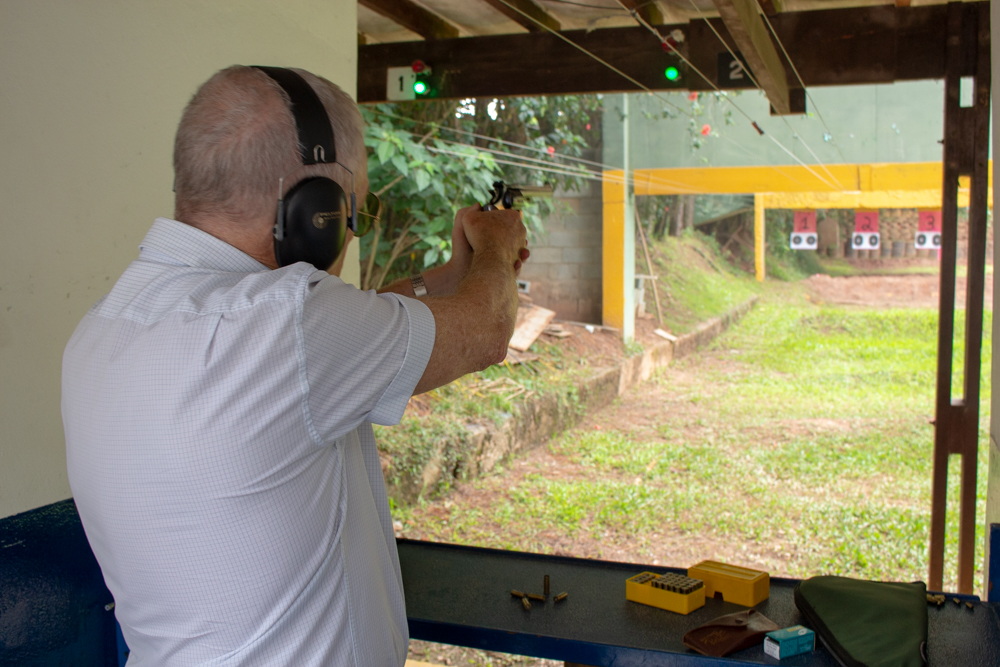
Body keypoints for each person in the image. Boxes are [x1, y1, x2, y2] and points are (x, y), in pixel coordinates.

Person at [62, 65, 528, 666]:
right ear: (315, 212)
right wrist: (495, 246)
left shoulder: (105, 325)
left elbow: (346, 324)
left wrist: (452, 277)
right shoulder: (290, 327)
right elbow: (487, 332)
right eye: (354, 214)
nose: (350, 235)